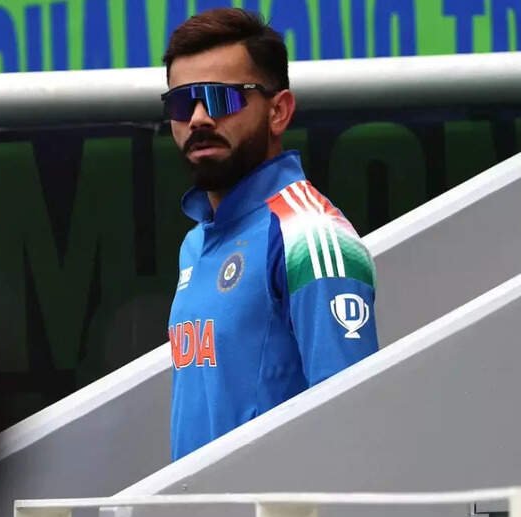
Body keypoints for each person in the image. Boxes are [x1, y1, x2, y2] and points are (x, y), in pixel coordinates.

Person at [161, 8, 378, 461]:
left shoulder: (311, 235)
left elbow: (353, 427)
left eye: (220, 98)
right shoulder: (195, 242)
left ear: (278, 111)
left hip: (273, 510)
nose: (198, 118)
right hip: (193, 507)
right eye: (182, 103)